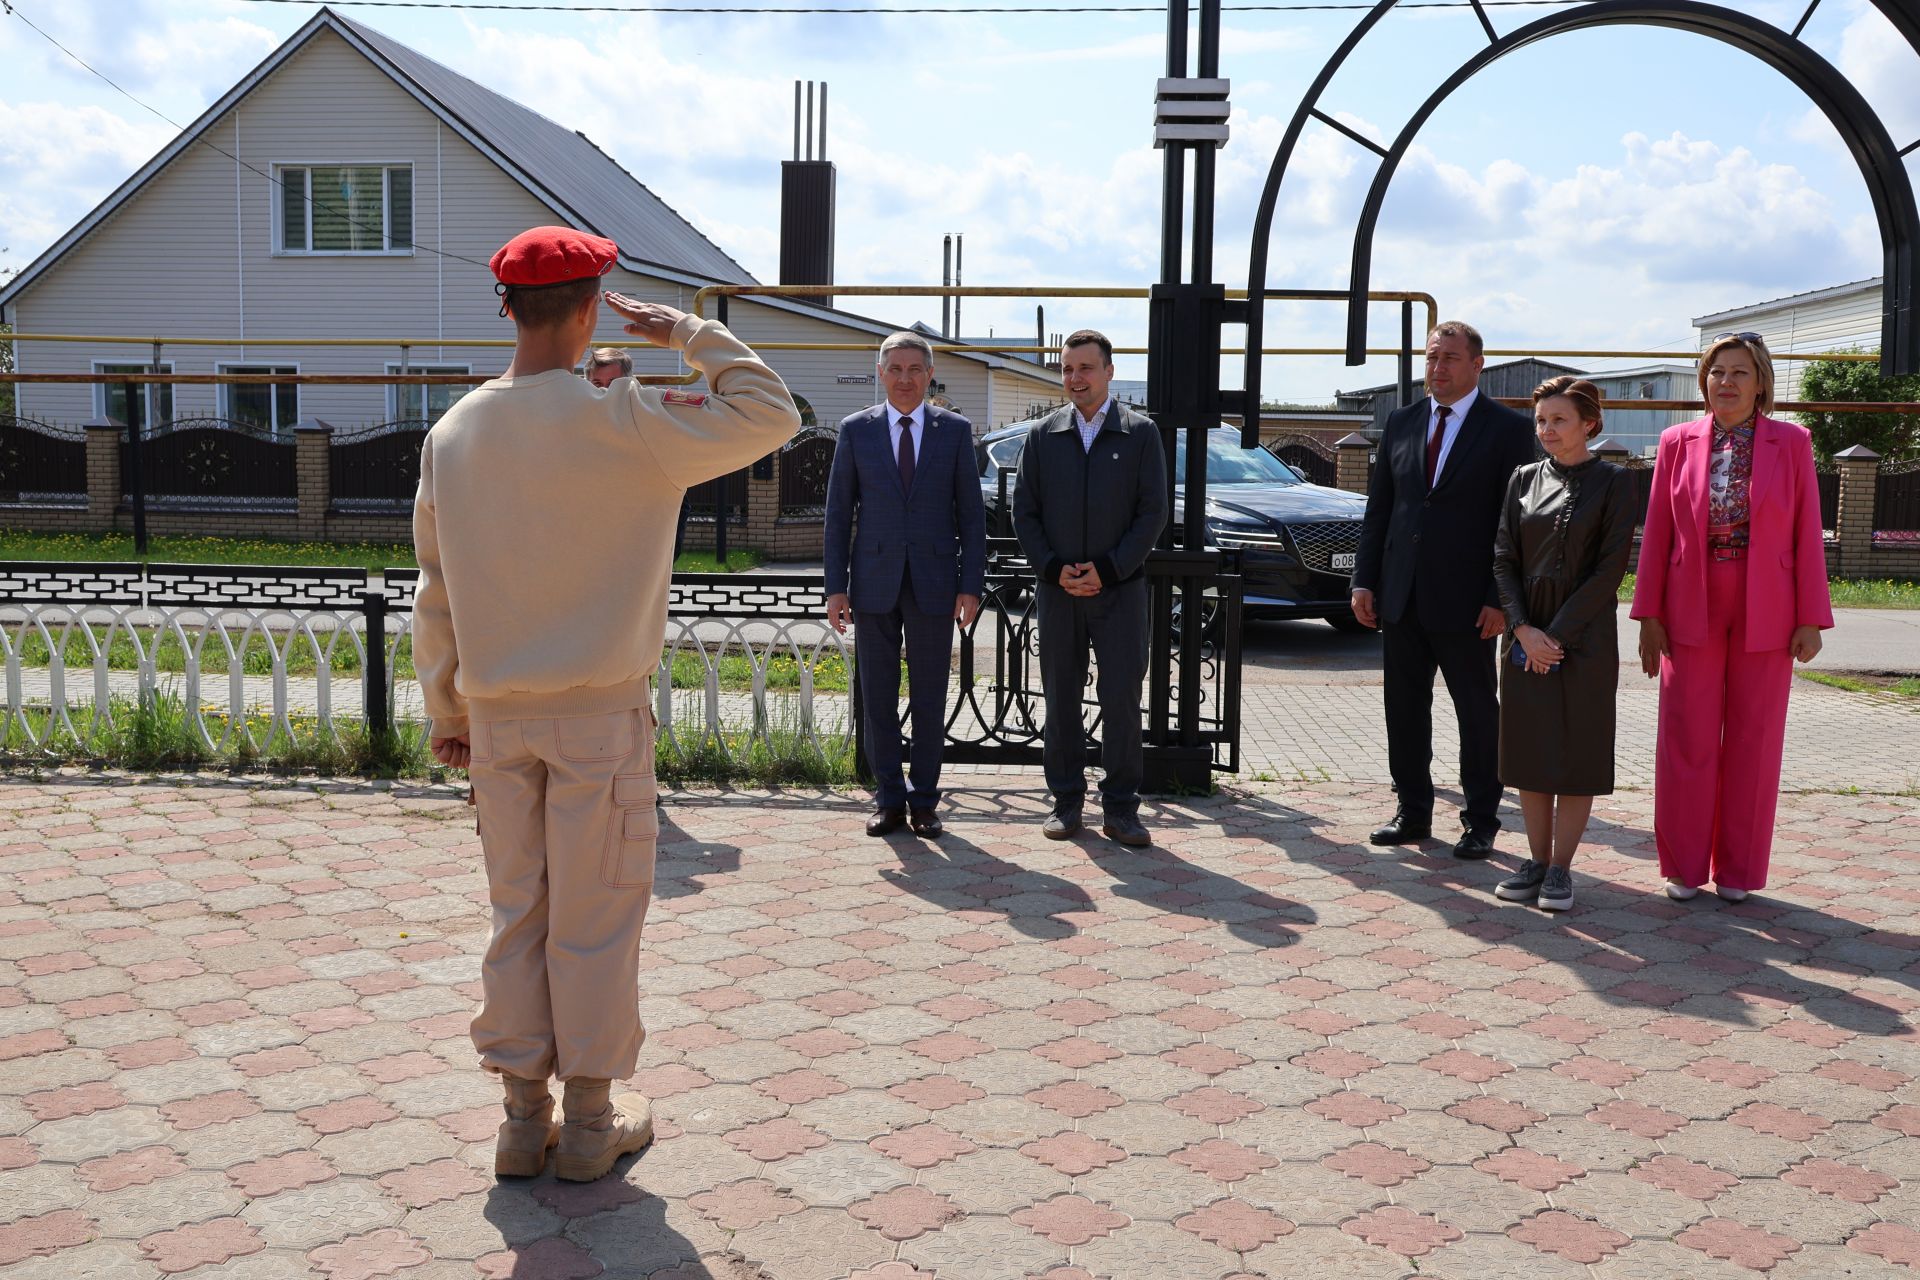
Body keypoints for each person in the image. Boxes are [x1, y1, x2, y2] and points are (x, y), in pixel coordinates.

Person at [412, 226, 799, 1182]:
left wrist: (447, 713)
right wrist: (687, 333)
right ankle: (588, 1123)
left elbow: (435, 589)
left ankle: (517, 1118)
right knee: (595, 917)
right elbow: (770, 412)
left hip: (497, 717)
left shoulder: (451, 432)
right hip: (601, 715)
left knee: (519, 914)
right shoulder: (626, 417)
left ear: (505, 307)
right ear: (591, 308)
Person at [1630, 332, 1833, 902]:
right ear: (1704, 380)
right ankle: (1684, 867)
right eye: (1717, 371)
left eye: (1740, 372)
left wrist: (1810, 616)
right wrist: (1648, 613)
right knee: (1687, 736)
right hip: (1689, 598)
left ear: (1761, 381)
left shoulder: (1792, 442)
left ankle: (1740, 871)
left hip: (1768, 603)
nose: (1727, 382)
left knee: (1754, 737)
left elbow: (1806, 532)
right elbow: (1657, 532)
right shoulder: (1677, 441)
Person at [1351, 321, 1536, 859]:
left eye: (1451, 358)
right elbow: (1380, 507)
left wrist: (1499, 598)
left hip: (1469, 603)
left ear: (1477, 365)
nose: (1439, 367)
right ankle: (1413, 813)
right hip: (1400, 594)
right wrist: (1365, 580)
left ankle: (1481, 819)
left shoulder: (1506, 429)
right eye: (1433, 357)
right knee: (1404, 709)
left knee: (1477, 713)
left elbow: (1515, 522)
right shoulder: (1403, 422)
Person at [823, 332, 987, 838]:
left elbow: (971, 516)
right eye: (895, 368)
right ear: (880, 372)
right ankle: (889, 798)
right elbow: (836, 515)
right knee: (877, 695)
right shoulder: (857, 430)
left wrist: (971, 585)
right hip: (872, 584)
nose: (904, 379)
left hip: (936, 584)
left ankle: (925, 801)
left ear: (929, 374)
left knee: (932, 694)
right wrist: (835, 587)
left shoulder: (954, 431)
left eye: (915, 369)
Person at [1012, 330, 1167, 846]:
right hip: (1058, 591)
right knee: (1060, 698)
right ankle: (1066, 802)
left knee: (1121, 697)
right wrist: (1054, 568)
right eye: (1067, 369)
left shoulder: (1140, 433)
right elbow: (1024, 512)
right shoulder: (1043, 434)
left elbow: (1153, 513)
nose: (1075, 379)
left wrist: (1108, 567)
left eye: (1085, 368)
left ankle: (1122, 808)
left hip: (1119, 592)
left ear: (1108, 371)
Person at [1490, 377, 1635, 911]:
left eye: (1560, 420)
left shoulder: (1616, 483)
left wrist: (1557, 637)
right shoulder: (1521, 479)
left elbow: (1608, 570)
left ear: (1589, 425)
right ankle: (1533, 858)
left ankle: (1561, 869)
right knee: (1529, 752)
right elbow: (1504, 558)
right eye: (1541, 421)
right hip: (1526, 633)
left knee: (1577, 753)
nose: (1547, 430)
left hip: (1586, 637)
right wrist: (1523, 631)